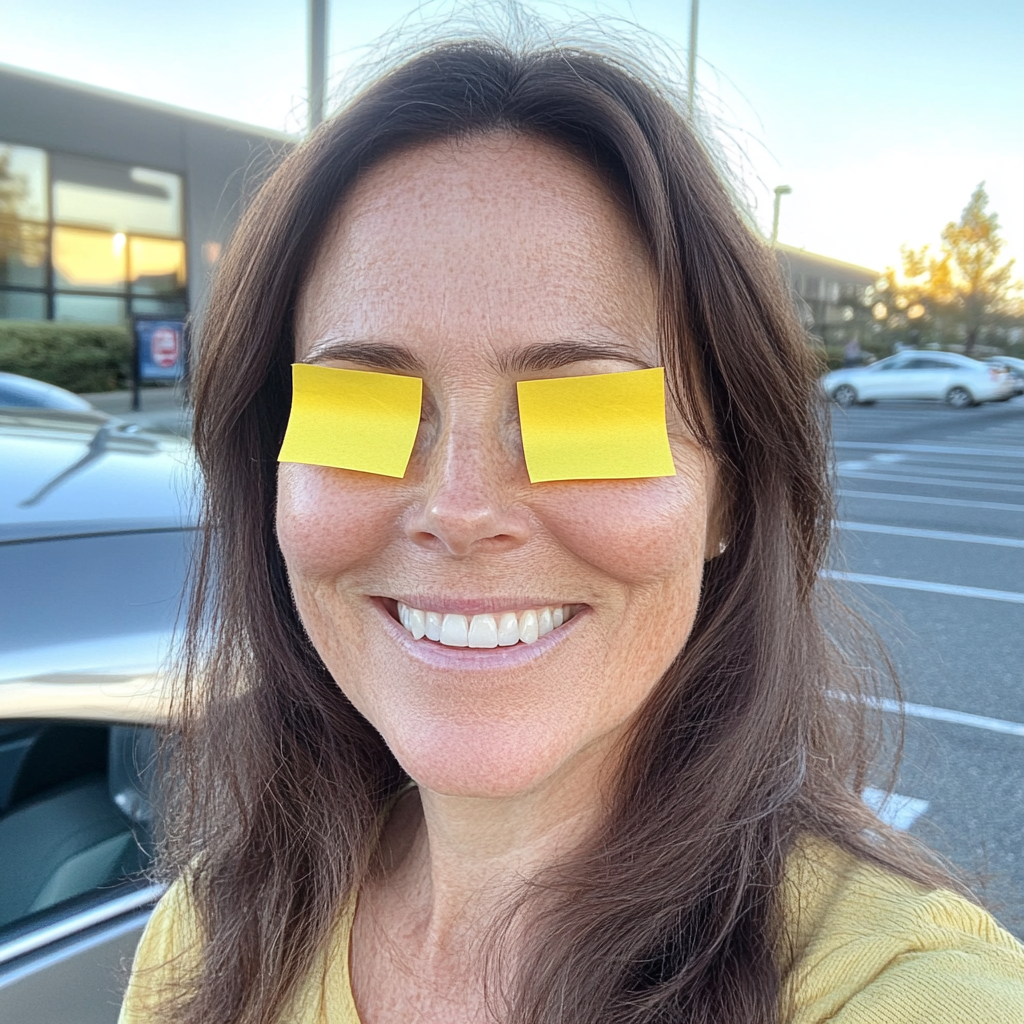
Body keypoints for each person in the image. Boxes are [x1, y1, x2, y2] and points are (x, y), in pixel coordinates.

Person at [120, 37, 1024, 1024]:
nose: (460, 510)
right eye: (360, 413)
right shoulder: (208, 935)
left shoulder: (915, 995)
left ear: (730, 493)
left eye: (585, 419)